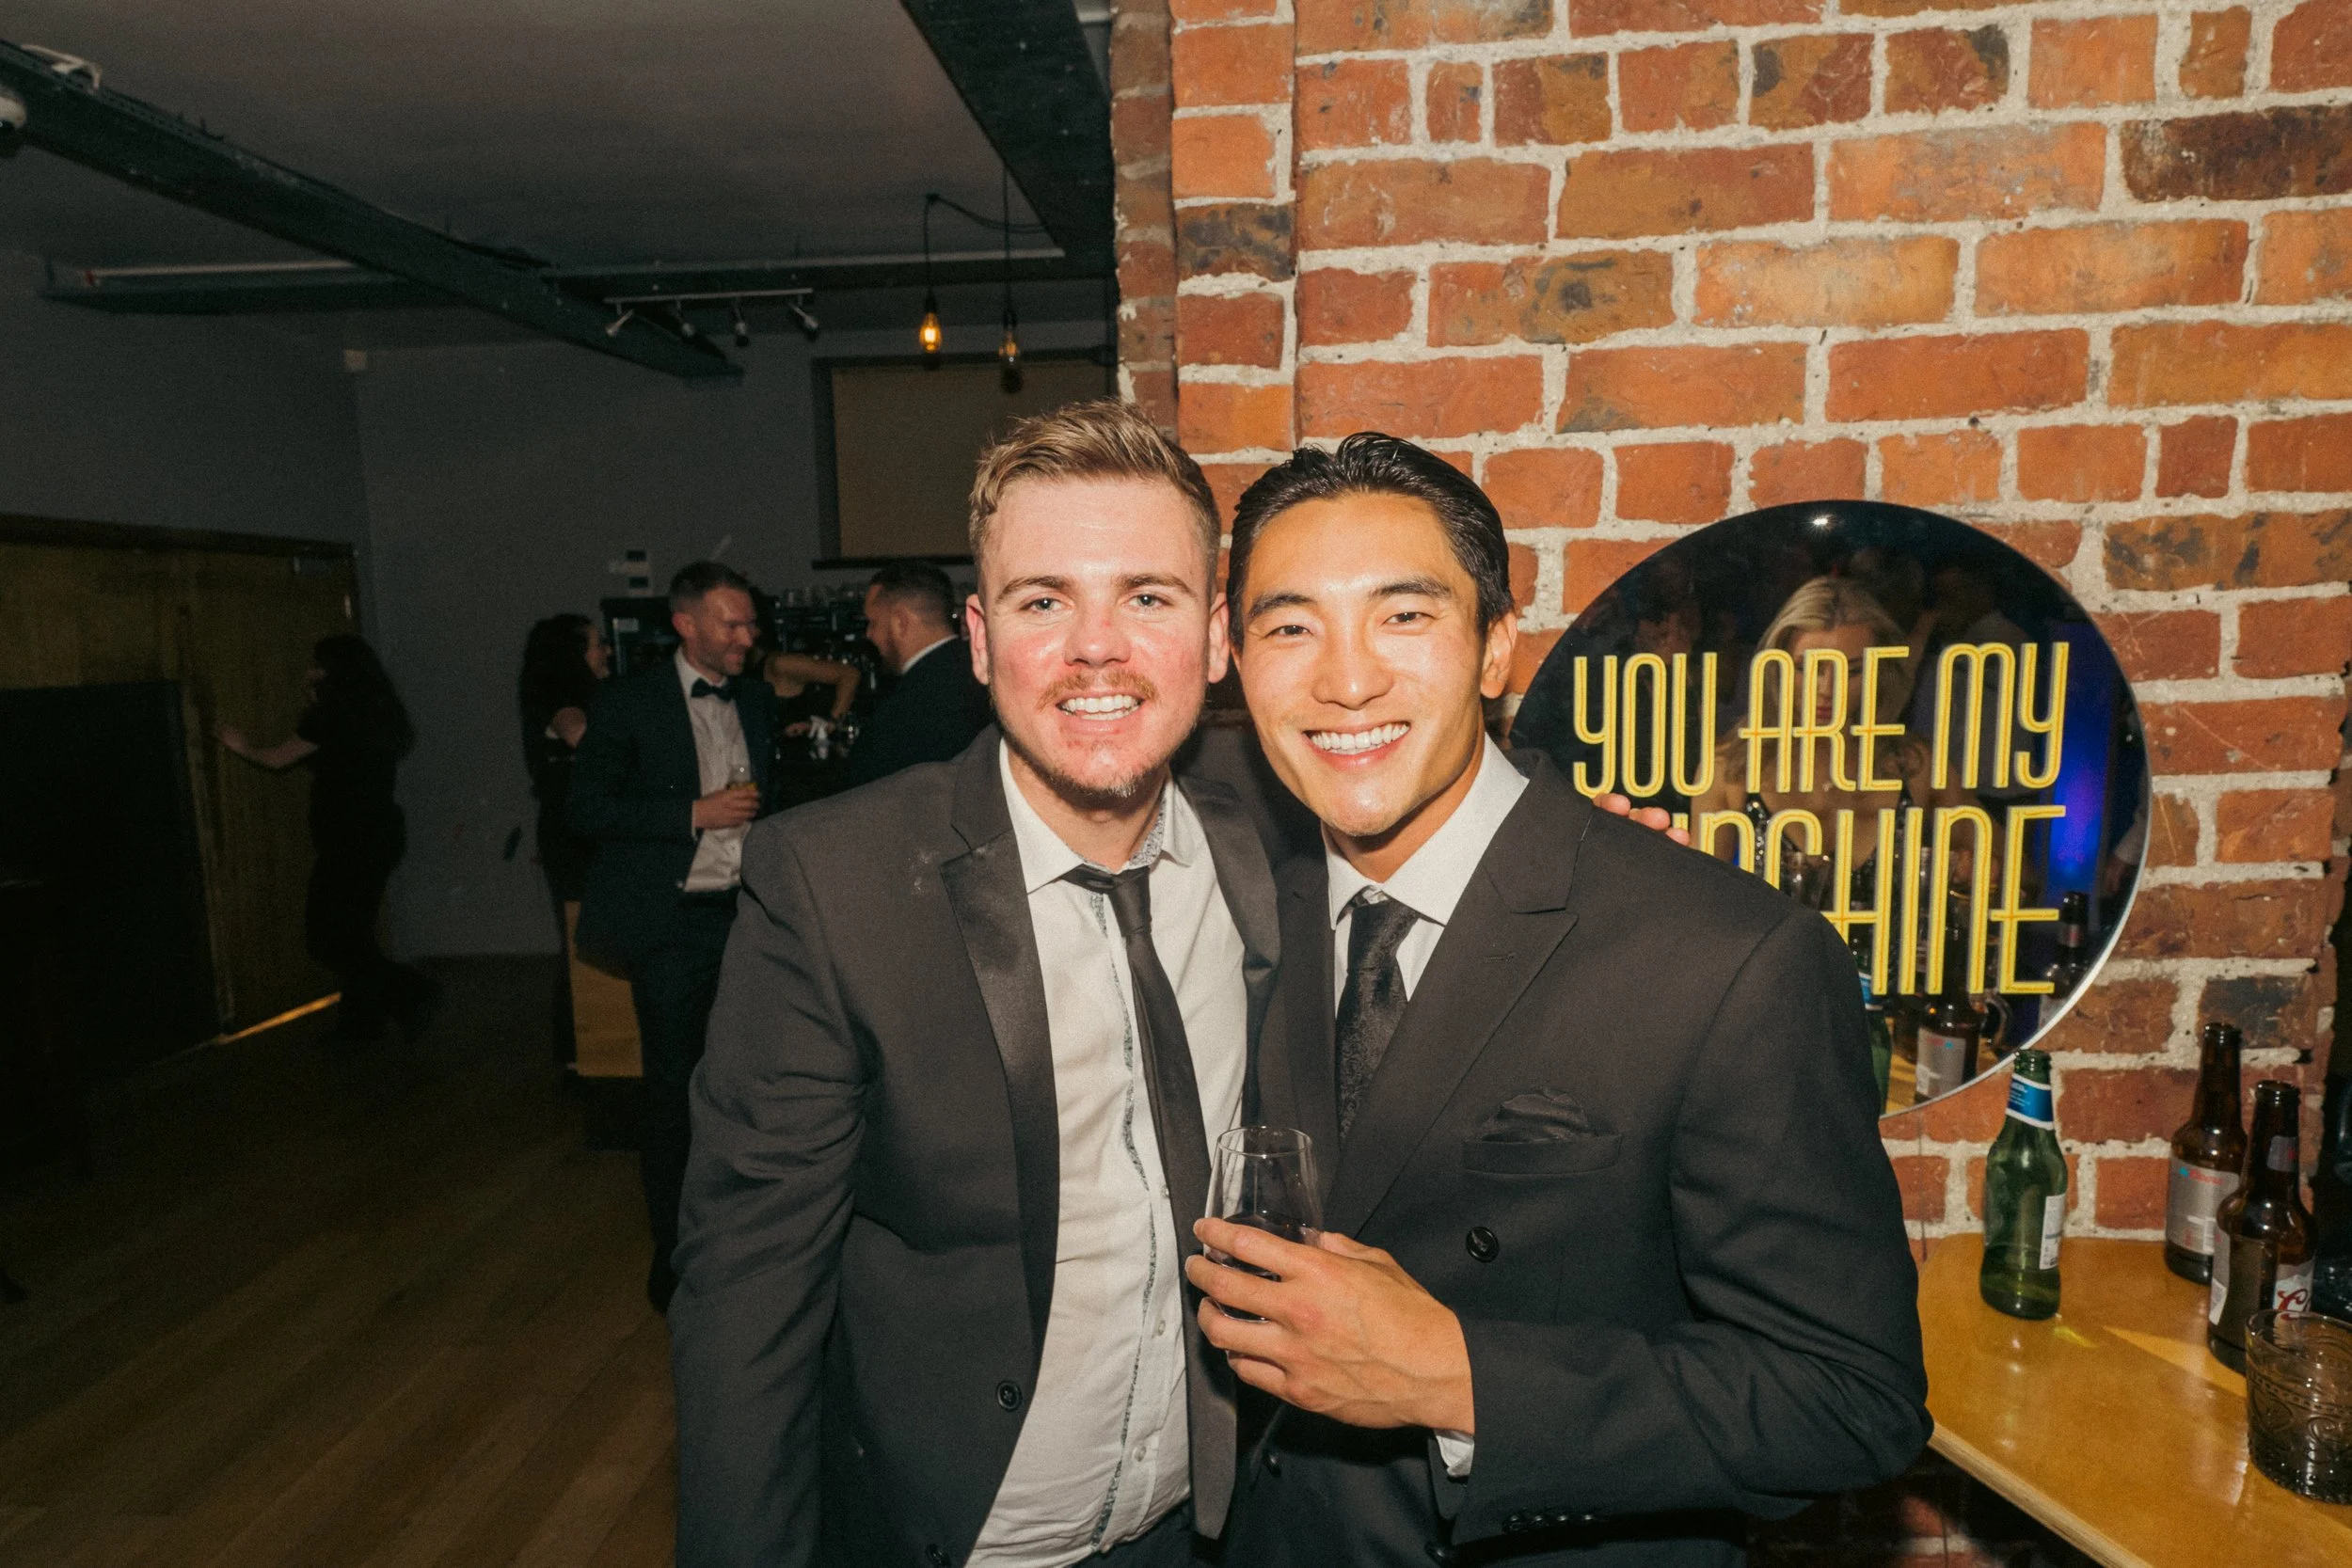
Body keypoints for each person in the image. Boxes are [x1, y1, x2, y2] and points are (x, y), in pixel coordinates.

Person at [1189, 434, 1931, 1567]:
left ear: (1496, 647)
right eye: (1290, 626)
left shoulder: (1725, 955)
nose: (1345, 679)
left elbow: (1849, 1396)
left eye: (1404, 615)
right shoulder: (1237, 902)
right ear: (1237, 660)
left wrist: (1453, 1375)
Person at [569, 562, 777, 1313]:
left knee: (752, 1085)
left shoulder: (753, 698)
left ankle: (745, 1237)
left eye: (752, 623)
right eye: (733, 624)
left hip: (748, 919)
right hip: (672, 926)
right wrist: (692, 813)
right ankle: (674, 1250)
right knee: (672, 1090)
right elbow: (585, 807)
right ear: (685, 624)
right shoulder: (627, 701)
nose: (748, 638)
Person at [1690, 575, 1991, 896]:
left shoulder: (1915, 765)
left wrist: (1982, 872)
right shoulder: (1732, 767)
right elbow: (1697, 903)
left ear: (1879, 671)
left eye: (1853, 671)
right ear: (1777, 666)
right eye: (1808, 667)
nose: (1827, 689)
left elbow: (2024, 878)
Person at [215, 634, 436, 1041]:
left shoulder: (331, 715)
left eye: (316, 666)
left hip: (347, 840)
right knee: (353, 932)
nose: (307, 672)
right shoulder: (374, 711)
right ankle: (361, 1022)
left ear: (333, 671)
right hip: (378, 833)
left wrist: (240, 745)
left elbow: (278, 758)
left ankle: (409, 992)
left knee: (326, 938)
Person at [519, 612, 612, 1061]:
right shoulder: (561, 696)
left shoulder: (562, 693)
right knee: (582, 934)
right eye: (597, 644)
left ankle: (582, 1050)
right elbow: (581, 736)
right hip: (574, 832)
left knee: (582, 934)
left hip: (572, 827)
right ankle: (579, 1051)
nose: (606, 651)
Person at [840, 560, 993, 786]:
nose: (869, 635)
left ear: (901, 622)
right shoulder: (981, 674)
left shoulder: (910, 705)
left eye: (873, 623)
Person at [752, 638, 863, 808]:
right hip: (776, 774)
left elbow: (850, 675)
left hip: (806, 775)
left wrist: (830, 724)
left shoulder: (779, 663)